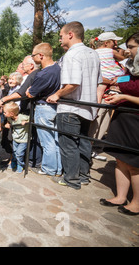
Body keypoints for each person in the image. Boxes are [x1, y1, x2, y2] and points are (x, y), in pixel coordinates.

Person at [47, 21, 102, 190]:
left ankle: (71, 179)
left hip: (71, 107)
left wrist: (56, 94)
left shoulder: (72, 54)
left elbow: (72, 84)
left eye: (61, 36)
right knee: (84, 142)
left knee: (68, 144)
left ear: (70, 34)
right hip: (88, 106)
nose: (60, 40)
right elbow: (99, 83)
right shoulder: (93, 54)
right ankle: (84, 176)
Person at [100, 32, 139, 215]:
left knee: (134, 162)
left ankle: (137, 203)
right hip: (123, 114)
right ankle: (120, 196)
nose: (127, 51)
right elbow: (126, 80)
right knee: (120, 158)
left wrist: (123, 95)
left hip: (135, 118)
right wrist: (117, 85)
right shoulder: (130, 67)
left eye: (131, 47)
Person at [89, 32, 127, 162]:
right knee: (97, 121)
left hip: (112, 94)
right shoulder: (103, 54)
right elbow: (95, 75)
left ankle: (95, 148)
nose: (116, 44)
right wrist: (112, 81)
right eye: (113, 41)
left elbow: (126, 77)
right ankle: (88, 148)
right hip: (103, 93)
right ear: (106, 43)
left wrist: (120, 79)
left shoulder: (113, 59)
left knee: (104, 124)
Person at [26, 42, 62, 177]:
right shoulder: (58, 69)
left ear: (41, 55)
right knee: (55, 139)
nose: (32, 57)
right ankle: (57, 168)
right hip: (54, 107)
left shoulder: (43, 74)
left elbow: (30, 93)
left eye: (33, 55)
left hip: (43, 108)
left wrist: (30, 90)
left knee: (47, 141)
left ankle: (49, 168)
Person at [3, 102, 29, 173]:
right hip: (15, 139)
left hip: (23, 140)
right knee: (14, 152)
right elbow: (8, 121)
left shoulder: (22, 117)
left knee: (19, 153)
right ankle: (14, 163)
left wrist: (26, 122)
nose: (3, 114)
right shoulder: (9, 118)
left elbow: (32, 120)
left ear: (11, 113)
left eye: (5, 112)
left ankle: (20, 165)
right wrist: (7, 124)